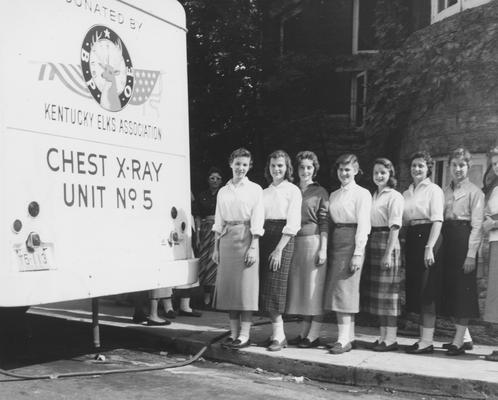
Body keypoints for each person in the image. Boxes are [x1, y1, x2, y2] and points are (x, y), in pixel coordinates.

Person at [212, 148, 264, 349]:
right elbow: (218, 220)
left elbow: (257, 219)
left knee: (245, 289)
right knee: (230, 289)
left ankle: (244, 335)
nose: (240, 168)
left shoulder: (255, 189)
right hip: (226, 239)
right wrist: (216, 248)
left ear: (249, 166)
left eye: (244, 164)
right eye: (237, 163)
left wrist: (253, 246)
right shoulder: (223, 191)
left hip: (246, 237)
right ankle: (233, 333)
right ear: (230, 164)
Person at [324, 154, 371, 354]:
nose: (344, 173)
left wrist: (358, 252)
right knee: (337, 290)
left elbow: (364, 224)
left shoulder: (362, 194)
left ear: (356, 171)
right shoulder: (334, 195)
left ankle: (343, 340)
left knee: (345, 290)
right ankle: (348, 336)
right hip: (336, 240)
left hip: (352, 242)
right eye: (341, 169)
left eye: (348, 170)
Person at [440, 148, 484, 355]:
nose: (458, 169)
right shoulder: (444, 191)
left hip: (463, 240)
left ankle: (458, 341)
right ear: (449, 167)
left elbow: (476, 226)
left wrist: (470, 254)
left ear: (468, 166)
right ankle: (464, 337)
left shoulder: (475, 193)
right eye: (454, 165)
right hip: (447, 240)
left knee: (463, 291)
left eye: (462, 165)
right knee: (450, 290)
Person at [260, 150, 302, 351]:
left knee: (276, 285)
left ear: (287, 168)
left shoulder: (293, 190)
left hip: (283, 238)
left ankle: (280, 336)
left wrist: (278, 250)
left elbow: (293, 223)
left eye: (281, 166)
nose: (277, 169)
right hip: (265, 235)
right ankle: (275, 333)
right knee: (266, 286)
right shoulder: (264, 192)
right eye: (273, 165)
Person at [403, 150, 444, 354]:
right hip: (412, 237)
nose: (416, 169)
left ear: (428, 168)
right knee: (417, 290)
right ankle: (422, 339)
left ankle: (427, 342)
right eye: (414, 165)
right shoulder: (407, 192)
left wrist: (429, 247)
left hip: (429, 237)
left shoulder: (434, 190)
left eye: (421, 165)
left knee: (427, 291)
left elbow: (437, 220)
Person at [286, 151, 328, 348]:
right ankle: (304, 332)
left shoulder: (320, 192)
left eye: (309, 167)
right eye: (302, 167)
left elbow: (325, 222)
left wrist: (323, 249)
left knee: (314, 290)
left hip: (313, 242)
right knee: (301, 290)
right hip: (294, 243)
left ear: (315, 169)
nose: (305, 171)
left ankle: (314, 334)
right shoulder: (291, 190)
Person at [361, 158, 403, 352]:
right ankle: (383, 336)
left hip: (388, 242)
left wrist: (388, 253)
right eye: (376, 172)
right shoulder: (373, 195)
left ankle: (392, 338)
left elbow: (395, 226)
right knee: (379, 296)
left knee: (389, 295)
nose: (379, 176)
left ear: (390, 175)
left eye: (383, 173)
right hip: (374, 241)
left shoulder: (394, 196)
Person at [195, 167, 224, 307]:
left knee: (216, 262)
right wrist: (198, 236)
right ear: (208, 180)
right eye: (212, 178)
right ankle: (206, 297)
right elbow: (198, 216)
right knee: (206, 263)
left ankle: (217, 298)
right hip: (206, 230)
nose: (215, 181)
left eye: (218, 178)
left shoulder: (224, 194)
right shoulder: (202, 195)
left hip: (220, 229)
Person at [482, 146, 498, 361]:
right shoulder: (495, 188)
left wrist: (493, 223)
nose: (497, 167)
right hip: (495, 242)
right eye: (494, 164)